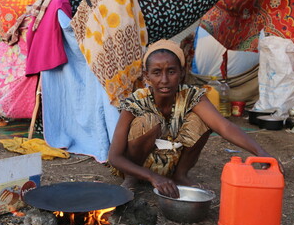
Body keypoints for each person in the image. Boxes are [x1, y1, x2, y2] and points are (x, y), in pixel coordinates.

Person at [108, 39, 281, 198]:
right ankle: (132, 178)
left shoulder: (192, 96)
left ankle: (180, 175)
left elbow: (224, 127)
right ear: (147, 77)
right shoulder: (136, 101)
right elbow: (114, 157)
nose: (164, 80)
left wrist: (262, 153)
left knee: (202, 120)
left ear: (182, 73)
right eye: (156, 73)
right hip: (137, 166)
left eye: (171, 71)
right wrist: (152, 176)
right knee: (149, 121)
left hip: (170, 164)